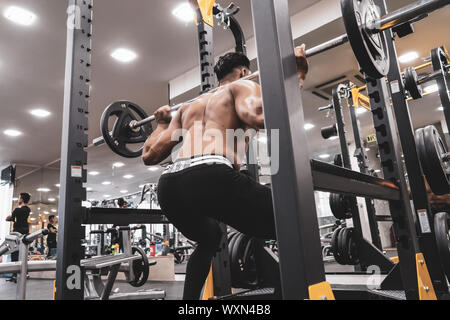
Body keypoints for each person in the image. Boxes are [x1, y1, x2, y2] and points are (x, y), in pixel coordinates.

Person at [142, 47, 309, 300]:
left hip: (170, 185)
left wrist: (162, 123)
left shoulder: (187, 107)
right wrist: (296, 73)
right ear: (243, 71)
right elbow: (259, 116)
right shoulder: (242, 85)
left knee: (210, 238)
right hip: (211, 177)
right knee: (293, 220)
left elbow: (150, 154)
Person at [5, 193, 31, 282]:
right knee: (22, 253)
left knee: (14, 253)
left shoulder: (17, 210)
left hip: (16, 233)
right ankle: (22, 273)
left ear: (22, 199)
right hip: (24, 233)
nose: (18, 199)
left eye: (19, 198)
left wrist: (13, 216)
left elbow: (7, 218)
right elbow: (17, 218)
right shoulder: (28, 210)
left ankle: (15, 274)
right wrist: (14, 218)